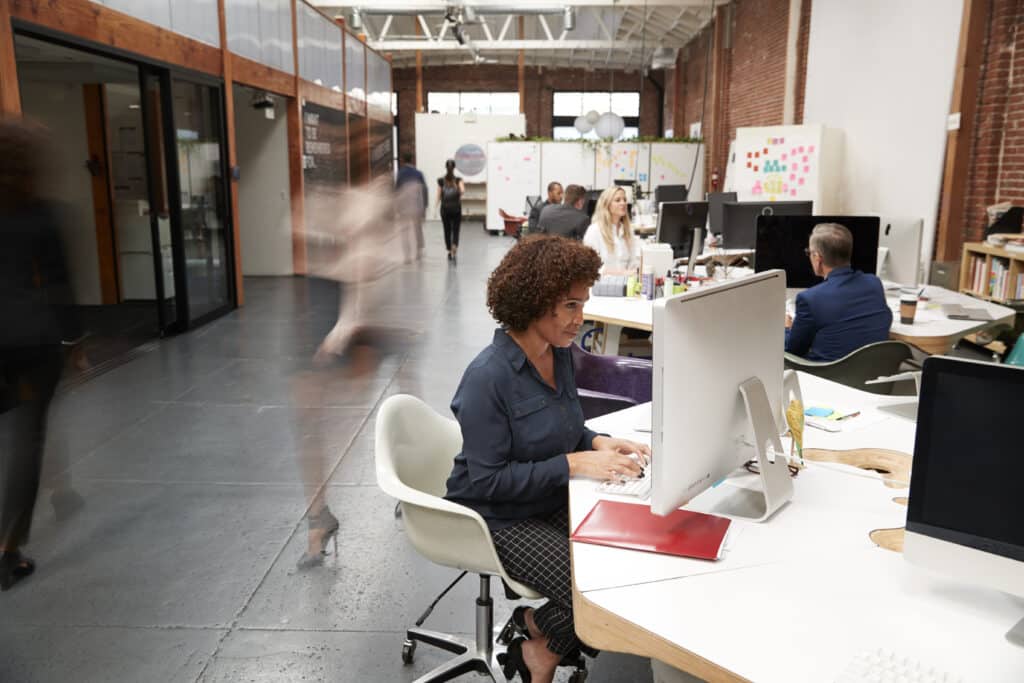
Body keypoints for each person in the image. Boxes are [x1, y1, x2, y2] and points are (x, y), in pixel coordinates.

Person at [445, 235, 650, 683]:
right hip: (498, 517)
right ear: (537, 303)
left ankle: (537, 631)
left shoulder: (557, 357)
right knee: (594, 597)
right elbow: (487, 483)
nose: (581, 318)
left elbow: (567, 429)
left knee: (625, 569)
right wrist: (575, 465)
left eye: (583, 304)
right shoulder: (487, 378)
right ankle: (542, 649)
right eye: (571, 306)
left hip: (548, 498)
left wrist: (597, 443)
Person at [0, 120, 82, 591]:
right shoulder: (42, 214)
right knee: (28, 440)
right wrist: (75, 341)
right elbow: (59, 284)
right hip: (32, 341)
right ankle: (7, 552)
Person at [785, 222, 892, 362]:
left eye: (809, 253)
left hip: (824, 378)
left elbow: (793, 350)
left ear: (817, 258)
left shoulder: (810, 299)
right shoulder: (874, 283)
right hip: (871, 377)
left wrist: (787, 328)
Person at [582, 186, 641, 274]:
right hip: (602, 284)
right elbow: (590, 267)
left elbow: (633, 262)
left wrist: (635, 270)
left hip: (626, 283)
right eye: (618, 200)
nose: (623, 203)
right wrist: (622, 273)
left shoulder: (628, 230)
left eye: (624, 200)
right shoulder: (594, 230)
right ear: (607, 204)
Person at [395, 152, 428, 262]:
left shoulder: (400, 174)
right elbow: (424, 191)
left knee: (405, 231)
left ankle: (407, 255)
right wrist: (425, 207)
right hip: (417, 207)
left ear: (403, 161)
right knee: (417, 229)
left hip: (404, 207)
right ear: (413, 160)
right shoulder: (418, 174)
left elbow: (396, 192)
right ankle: (418, 251)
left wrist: (397, 207)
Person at [436, 159, 465, 263]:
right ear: (454, 168)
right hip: (456, 208)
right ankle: (454, 246)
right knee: (456, 229)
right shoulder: (458, 180)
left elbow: (439, 196)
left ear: (446, 167)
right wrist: (456, 187)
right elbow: (462, 191)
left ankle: (449, 249)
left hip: (445, 209)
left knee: (447, 230)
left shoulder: (441, 180)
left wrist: (435, 208)